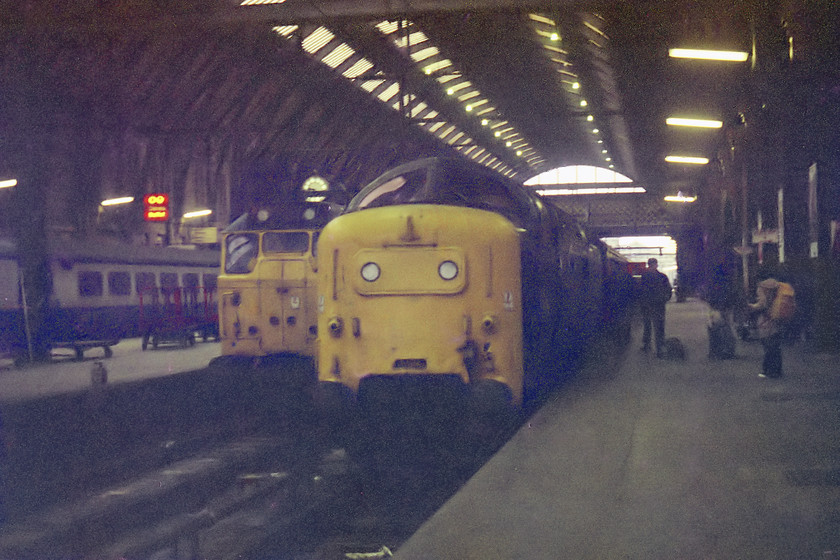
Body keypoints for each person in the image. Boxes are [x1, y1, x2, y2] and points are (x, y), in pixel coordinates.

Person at [748, 272, 784, 378]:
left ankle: (768, 370)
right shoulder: (778, 285)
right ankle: (777, 370)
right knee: (776, 347)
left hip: (766, 319)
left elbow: (762, 303)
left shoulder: (762, 287)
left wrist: (752, 306)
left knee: (768, 346)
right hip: (776, 317)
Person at [639, 257, 672, 357]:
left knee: (647, 325)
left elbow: (640, 291)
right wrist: (664, 299)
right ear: (656, 264)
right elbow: (669, 291)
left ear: (648, 265)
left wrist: (642, 302)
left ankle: (646, 345)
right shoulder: (662, 277)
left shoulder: (644, 277)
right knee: (659, 327)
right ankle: (660, 349)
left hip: (647, 305)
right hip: (659, 305)